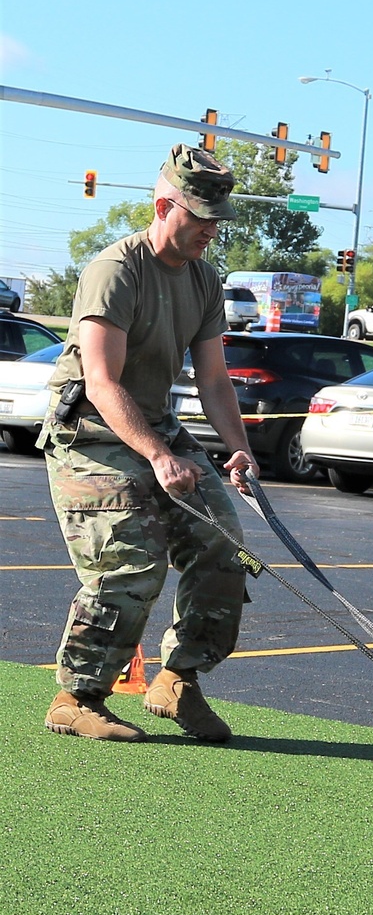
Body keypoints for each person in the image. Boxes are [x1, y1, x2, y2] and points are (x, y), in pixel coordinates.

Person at [40, 144, 258, 744]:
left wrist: (237, 448)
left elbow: (213, 379)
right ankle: (76, 697)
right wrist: (160, 457)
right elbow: (102, 382)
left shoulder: (204, 278)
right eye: (200, 218)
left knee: (222, 547)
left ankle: (179, 682)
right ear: (165, 206)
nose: (211, 231)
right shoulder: (116, 270)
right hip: (91, 431)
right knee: (130, 560)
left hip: (154, 425)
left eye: (218, 220)